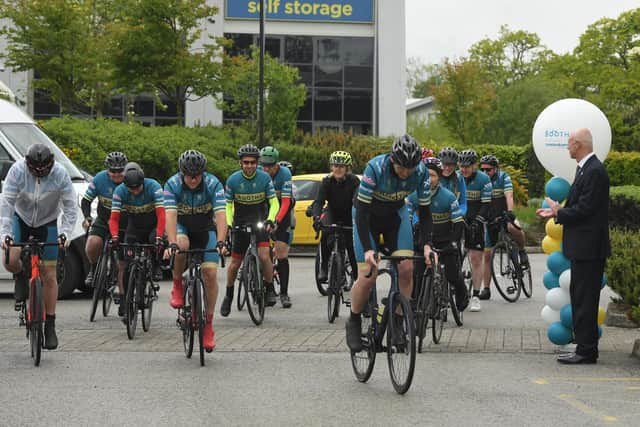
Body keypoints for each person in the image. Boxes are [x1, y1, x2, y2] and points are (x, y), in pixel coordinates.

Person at [345, 135, 435, 352]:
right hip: (367, 216)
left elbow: (424, 212)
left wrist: (427, 245)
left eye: (410, 168)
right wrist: (368, 249)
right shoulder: (375, 168)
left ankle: (397, 322)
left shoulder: (421, 171)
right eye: (401, 167)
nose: (405, 173)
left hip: (395, 215)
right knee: (368, 274)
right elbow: (362, 212)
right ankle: (354, 320)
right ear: (392, 159)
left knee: (406, 268)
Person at [537, 128, 610, 364]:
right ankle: (583, 346)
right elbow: (579, 205)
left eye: (569, 144)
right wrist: (556, 213)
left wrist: (561, 212)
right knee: (579, 297)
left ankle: (587, 351)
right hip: (582, 247)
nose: (567, 148)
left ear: (578, 145)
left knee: (586, 300)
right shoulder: (585, 169)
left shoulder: (595, 171)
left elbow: (587, 208)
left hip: (589, 248)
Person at [0, 144, 77, 350]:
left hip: (47, 222)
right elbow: (6, 203)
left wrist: (65, 233)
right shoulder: (17, 170)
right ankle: (20, 278)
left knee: (49, 275)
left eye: (44, 169)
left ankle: (49, 325)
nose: (40, 173)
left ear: (51, 165)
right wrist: (5, 234)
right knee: (10, 258)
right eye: (35, 169)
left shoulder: (60, 173)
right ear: (28, 164)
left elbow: (70, 206)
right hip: (21, 218)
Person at [163, 150, 228, 351]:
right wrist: (171, 243)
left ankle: (208, 324)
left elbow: (221, 215)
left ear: (203, 173)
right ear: (181, 173)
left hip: (205, 229)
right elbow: (171, 216)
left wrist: (221, 241)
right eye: (189, 175)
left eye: (197, 175)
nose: (193, 179)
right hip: (182, 227)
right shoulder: (172, 184)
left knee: (210, 273)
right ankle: (177, 285)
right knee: (181, 246)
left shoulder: (213, 184)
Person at [220, 144, 279, 317]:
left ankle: (269, 288)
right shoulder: (233, 180)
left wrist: (271, 219)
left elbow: (274, 202)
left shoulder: (264, 178)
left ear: (257, 163)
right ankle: (229, 295)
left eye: (253, 162)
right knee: (235, 264)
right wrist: (229, 224)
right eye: (246, 162)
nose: (249, 166)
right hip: (240, 222)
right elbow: (228, 205)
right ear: (240, 163)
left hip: (260, 220)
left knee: (263, 256)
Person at [407, 157, 469, 312]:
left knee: (452, 274)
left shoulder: (448, 197)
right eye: (426, 175)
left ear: (439, 177)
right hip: (423, 239)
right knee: (417, 273)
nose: (429, 179)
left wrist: (454, 243)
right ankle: (415, 304)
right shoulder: (414, 195)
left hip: (445, 239)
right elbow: (406, 219)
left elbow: (458, 223)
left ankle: (462, 293)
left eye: (433, 175)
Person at [108, 162, 165, 318]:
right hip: (134, 227)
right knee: (126, 265)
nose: (134, 191)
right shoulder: (120, 191)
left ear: (142, 182)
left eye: (137, 188)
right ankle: (126, 299)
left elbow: (161, 215)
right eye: (130, 189)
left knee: (156, 241)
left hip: (153, 225)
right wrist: (114, 237)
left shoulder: (153, 186)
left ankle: (156, 264)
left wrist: (160, 237)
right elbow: (113, 219)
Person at [478, 155, 528, 300]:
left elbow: (509, 195)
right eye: (483, 170)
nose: (485, 172)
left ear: (496, 169)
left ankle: (522, 250)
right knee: (487, 255)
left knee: (514, 228)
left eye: (488, 170)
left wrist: (510, 212)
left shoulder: (504, 177)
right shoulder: (481, 180)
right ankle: (486, 289)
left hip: (505, 213)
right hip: (490, 218)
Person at [309, 151, 360, 288]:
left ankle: (357, 277)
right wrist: (316, 218)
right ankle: (324, 267)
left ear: (347, 168)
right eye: (335, 166)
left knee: (351, 245)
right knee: (325, 233)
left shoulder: (354, 181)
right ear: (332, 167)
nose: (338, 169)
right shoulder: (326, 181)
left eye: (341, 166)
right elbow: (319, 202)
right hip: (333, 212)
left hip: (349, 214)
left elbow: (357, 199)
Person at [82, 152, 128, 290]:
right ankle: (94, 268)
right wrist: (87, 217)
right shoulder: (99, 179)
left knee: (122, 263)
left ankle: (122, 296)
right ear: (107, 169)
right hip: (104, 218)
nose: (116, 174)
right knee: (92, 243)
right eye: (112, 171)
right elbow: (86, 201)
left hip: (124, 222)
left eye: (120, 170)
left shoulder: (130, 180)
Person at [258, 146, 294, 308]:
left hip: (283, 213)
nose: (266, 170)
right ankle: (269, 289)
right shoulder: (258, 172)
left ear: (277, 164)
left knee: (281, 253)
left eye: (270, 166)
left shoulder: (285, 174)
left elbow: (286, 202)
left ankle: (285, 294)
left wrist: (277, 221)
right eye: (264, 166)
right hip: (264, 211)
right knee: (263, 253)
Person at [459, 149, 492, 312]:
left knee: (476, 258)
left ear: (474, 166)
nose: (463, 169)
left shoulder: (483, 179)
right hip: (459, 217)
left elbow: (486, 205)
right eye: (461, 166)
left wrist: (478, 222)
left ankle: (476, 295)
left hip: (476, 218)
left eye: (467, 166)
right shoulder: (456, 178)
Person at [438, 147, 468, 216]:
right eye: (445, 164)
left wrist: (459, 214)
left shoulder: (459, 178)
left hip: (453, 217)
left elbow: (463, 203)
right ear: (439, 164)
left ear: (455, 165)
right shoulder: (432, 177)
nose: (447, 168)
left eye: (451, 164)